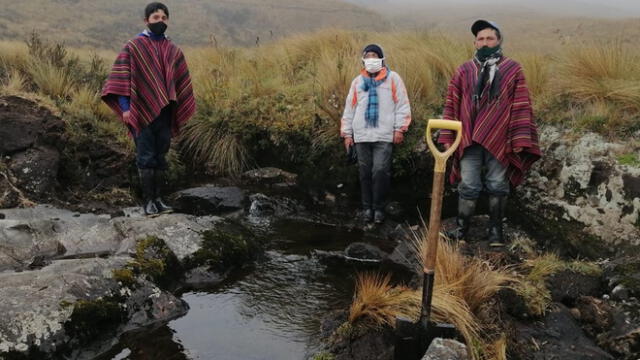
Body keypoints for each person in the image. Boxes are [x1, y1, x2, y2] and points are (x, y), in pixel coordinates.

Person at [438, 20, 541, 246]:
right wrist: (447, 136)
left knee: (497, 184)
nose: (485, 42)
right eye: (481, 39)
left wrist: (520, 138)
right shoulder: (464, 70)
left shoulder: (513, 69)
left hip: (500, 138)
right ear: (475, 42)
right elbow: (452, 104)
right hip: (468, 138)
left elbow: (521, 104)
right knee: (468, 185)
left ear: (499, 40)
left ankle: (496, 232)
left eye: (490, 38)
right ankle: (462, 229)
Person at [101, 2, 196, 216]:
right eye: (156, 18)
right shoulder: (134, 46)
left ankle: (159, 200)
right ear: (146, 21)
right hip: (139, 110)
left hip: (165, 113)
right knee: (146, 156)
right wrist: (125, 108)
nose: (160, 21)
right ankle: (147, 203)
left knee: (160, 156)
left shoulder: (173, 50)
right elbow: (121, 79)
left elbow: (180, 82)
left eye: (164, 18)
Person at [341, 44, 411, 224]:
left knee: (380, 171)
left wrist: (399, 129)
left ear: (381, 58)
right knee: (364, 172)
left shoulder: (393, 79)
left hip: (383, 135)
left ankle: (379, 208)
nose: (371, 59)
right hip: (361, 135)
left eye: (375, 55)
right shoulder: (357, 81)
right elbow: (350, 108)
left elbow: (402, 105)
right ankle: (367, 208)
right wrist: (347, 134)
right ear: (363, 60)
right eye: (368, 56)